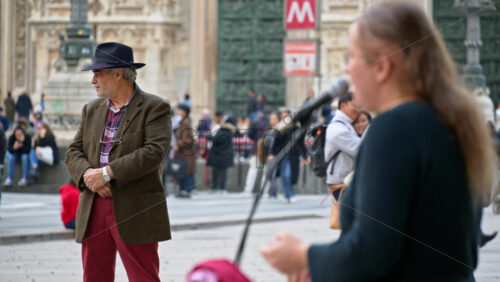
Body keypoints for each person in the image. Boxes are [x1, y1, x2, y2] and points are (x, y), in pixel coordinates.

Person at [260, 2, 495, 281]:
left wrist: (302, 255)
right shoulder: (453, 122)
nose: (346, 68)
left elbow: (370, 252)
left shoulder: (395, 127)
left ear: (382, 66)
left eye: (352, 56)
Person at [65, 42, 172, 282]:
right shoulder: (91, 109)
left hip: (135, 205)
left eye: (98, 74)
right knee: (94, 276)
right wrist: (88, 176)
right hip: (94, 202)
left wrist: (106, 173)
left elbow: (154, 152)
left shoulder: (155, 107)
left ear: (118, 74)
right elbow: (73, 151)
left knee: (143, 276)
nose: (93, 80)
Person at [324, 92, 361, 200]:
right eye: (354, 106)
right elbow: (359, 148)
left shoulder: (346, 125)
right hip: (341, 183)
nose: (357, 109)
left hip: (346, 181)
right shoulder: (337, 129)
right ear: (343, 106)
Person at [207, 111, 235, 193]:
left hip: (223, 154)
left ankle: (221, 188)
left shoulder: (226, 128)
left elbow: (219, 139)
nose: (215, 119)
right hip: (218, 154)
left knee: (222, 172)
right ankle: (215, 187)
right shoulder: (219, 127)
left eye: (216, 117)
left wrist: (210, 136)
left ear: (220, 117)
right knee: (215, 171)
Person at [242, 111, 269, 196]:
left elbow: (250, 135)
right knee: (266, 171)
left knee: (253, 170)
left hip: (257, 149)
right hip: (269, 150)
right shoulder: (270, 123)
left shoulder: (255, 123)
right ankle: (265, 192)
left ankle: (248, 191)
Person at [174, 104, 196, 198]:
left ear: (185, 112)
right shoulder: (183, 121)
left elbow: (188, 139)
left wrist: (178, 145)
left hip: (186, 153)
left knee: (186, 172)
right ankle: (183, 190)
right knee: (183, 171)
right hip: (183, 153)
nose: (179, 112)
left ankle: (186, 190)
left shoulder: (185, 122)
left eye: (180, 110)